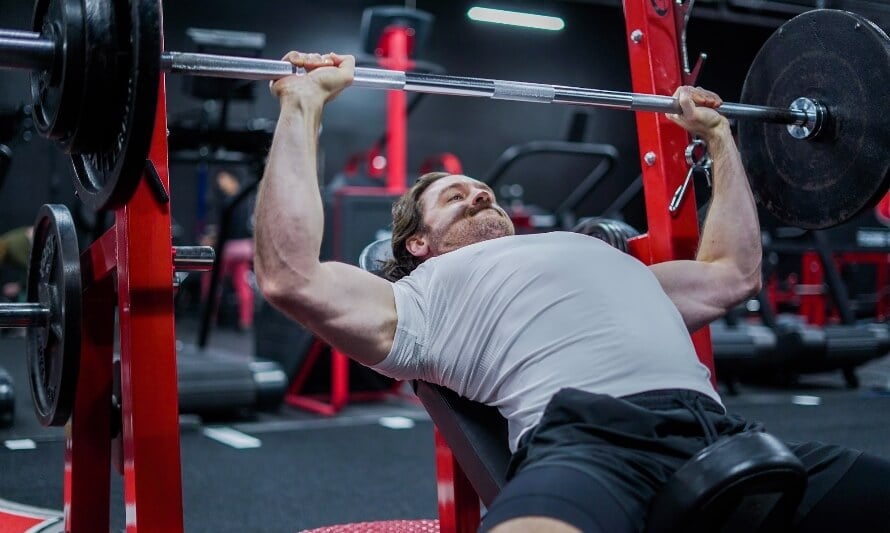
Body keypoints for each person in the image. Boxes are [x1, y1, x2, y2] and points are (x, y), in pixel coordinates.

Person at [254, 52, 890, 533]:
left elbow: (733, 273)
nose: (481, 194)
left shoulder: (593, 251)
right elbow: (290, 274)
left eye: (486, 192)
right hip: (592, 447)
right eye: (455, 196)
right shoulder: (419, 298)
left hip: (721, 434)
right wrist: (303, 104)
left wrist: (719, 139)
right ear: (417, 243)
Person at [201, 170, 255, 331]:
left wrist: (213, 239)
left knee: (210, 281)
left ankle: (210, 317)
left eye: (223, 180)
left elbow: (227, 229)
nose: (221, 184)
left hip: (228, 249)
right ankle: (245, 321)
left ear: (232, 180)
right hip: (244, 248)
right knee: (242, 284)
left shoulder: (230, 202)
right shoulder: (247, 201)